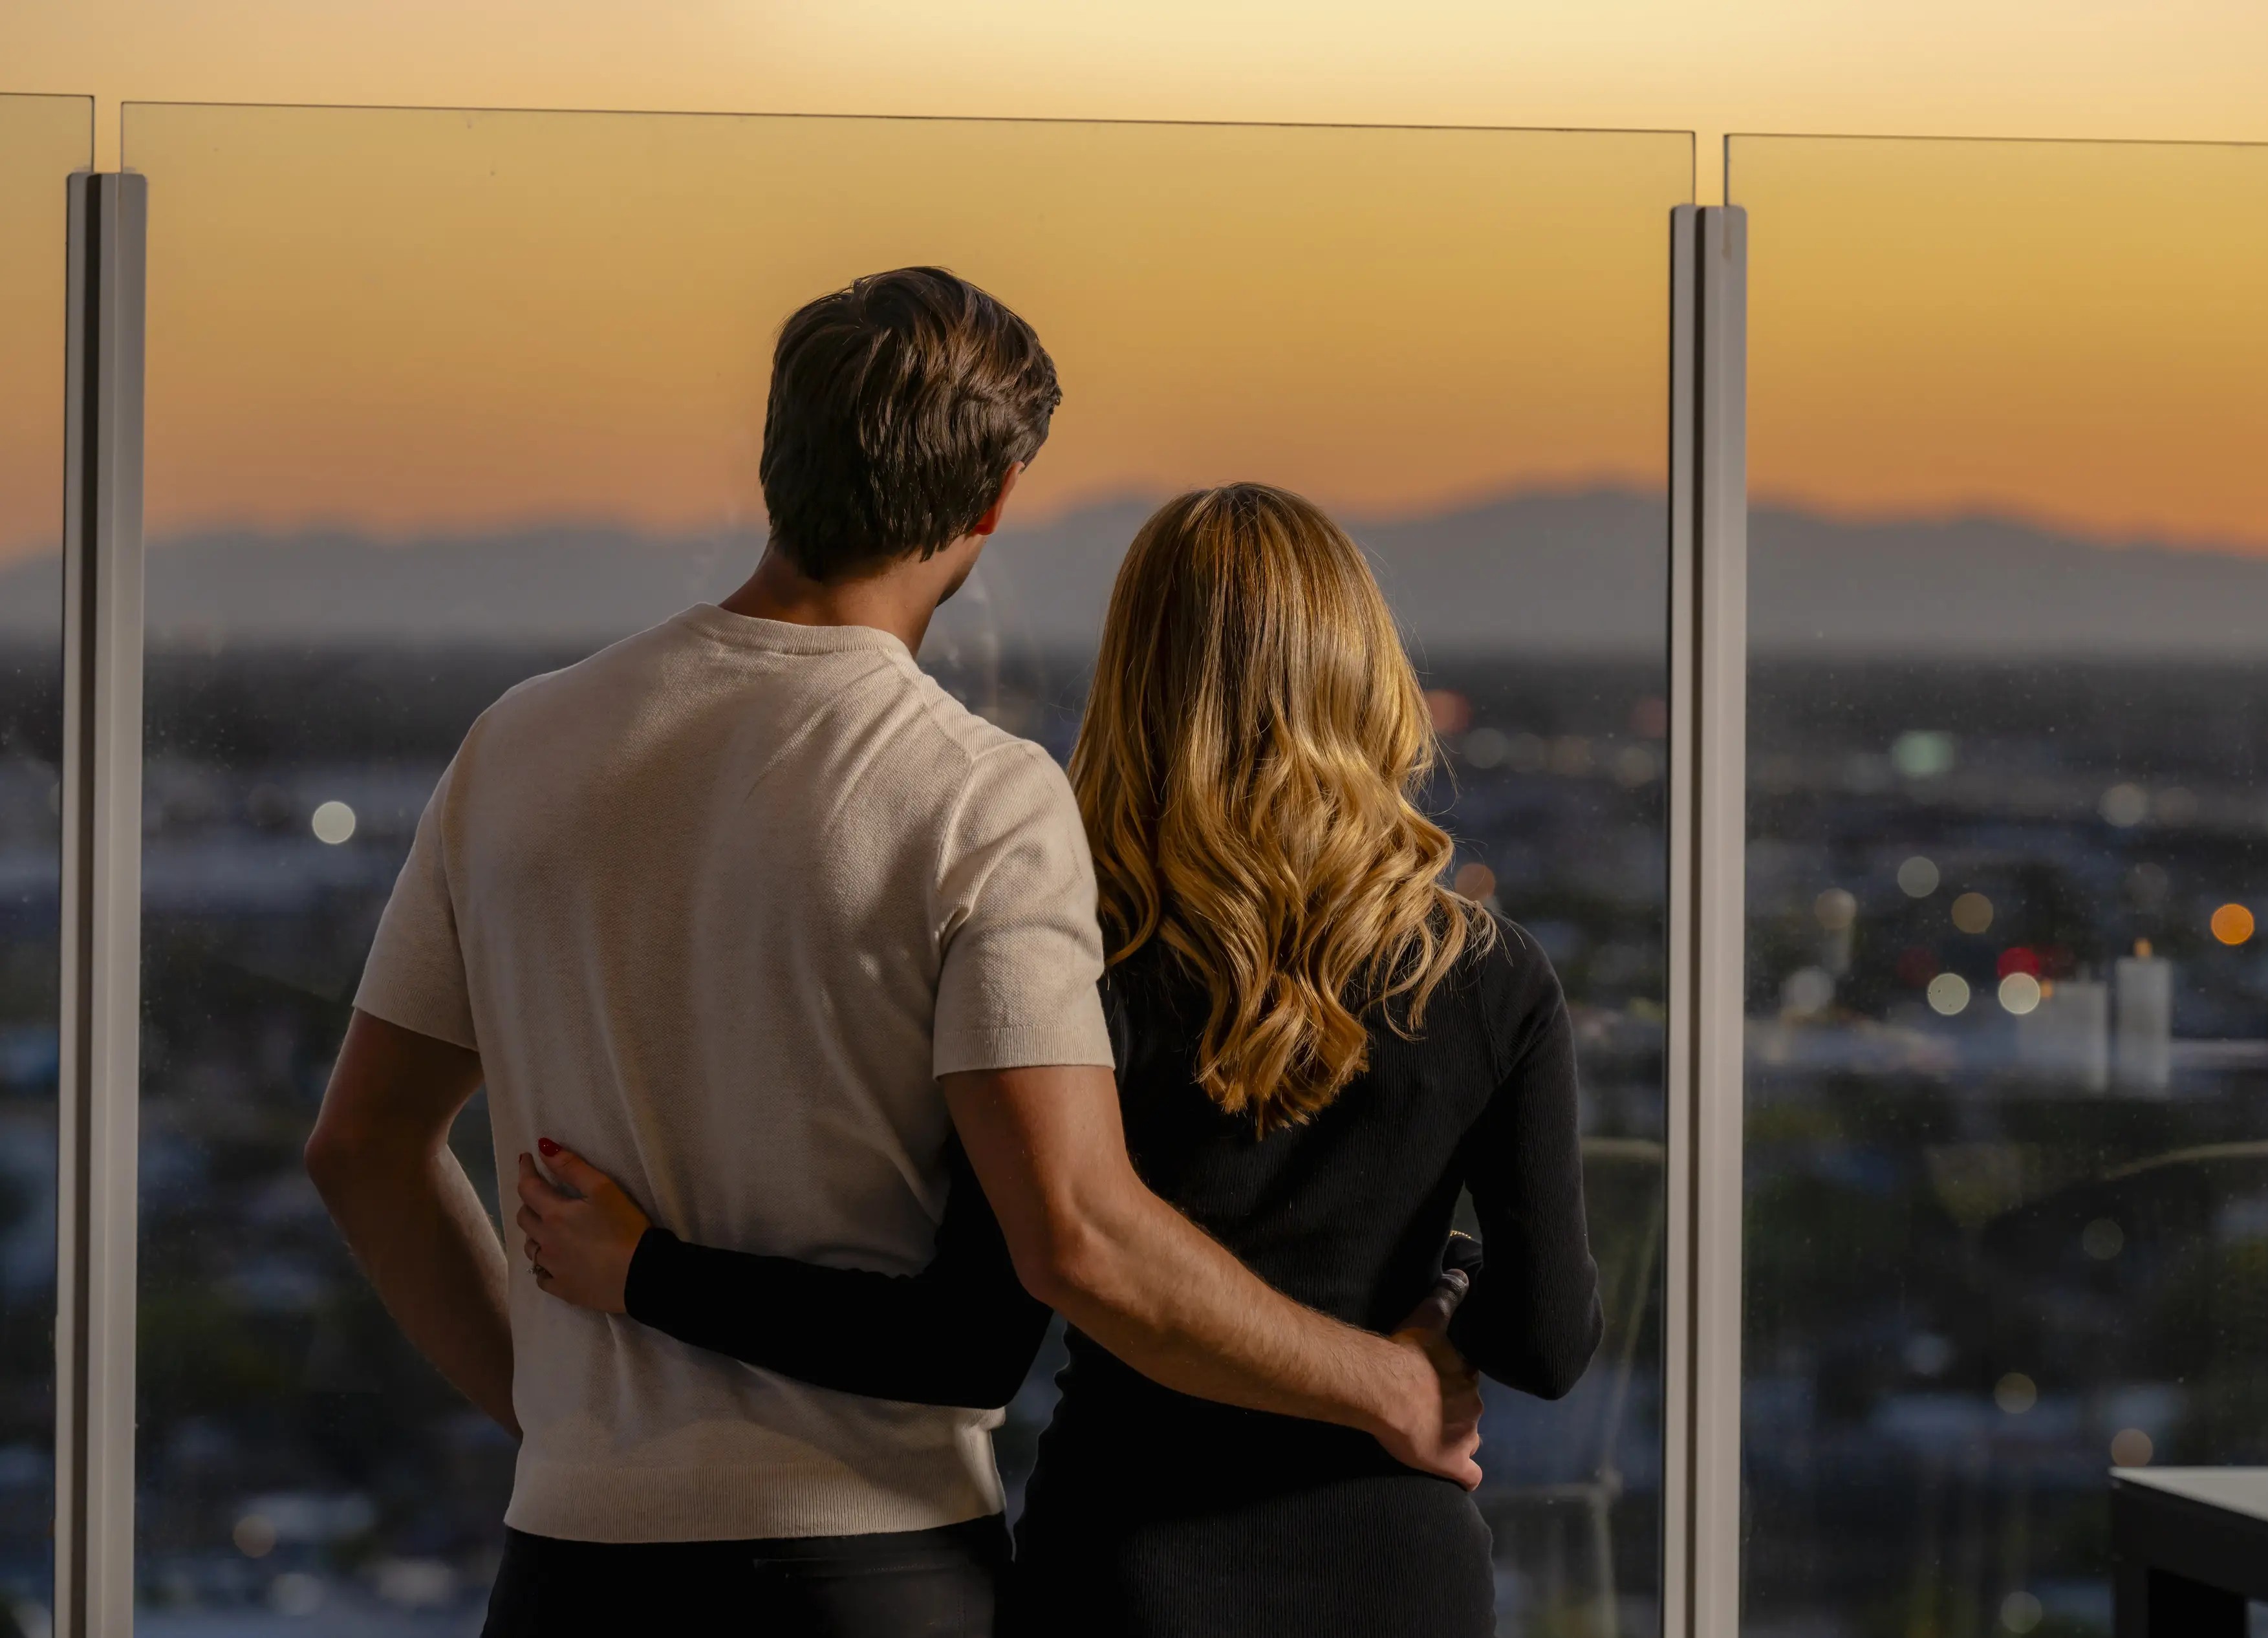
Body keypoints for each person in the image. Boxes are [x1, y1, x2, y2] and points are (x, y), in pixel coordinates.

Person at [304, 274, 1481, 1638]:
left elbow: (362, 1149)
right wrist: (1389, 1385)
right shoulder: (978, 797)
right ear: (992, 502)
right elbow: (1077, 1238)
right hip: (864, 1576)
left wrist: (561, 1418)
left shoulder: (518, 745)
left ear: (776, 460)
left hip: (570, 1568)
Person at [518, 482, 1604, 1637]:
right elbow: (1546, 1344)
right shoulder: (1491, 979)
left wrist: (648, 1270)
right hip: (1403, 1578)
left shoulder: (1077, 963)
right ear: (1368, 674)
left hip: (1131, 1576)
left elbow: (962, 1346)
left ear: (1139, 687)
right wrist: (1439, 1277)